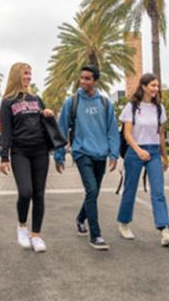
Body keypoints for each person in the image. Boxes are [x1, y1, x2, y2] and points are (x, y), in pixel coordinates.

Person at [54, 65, 119, 250]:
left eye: (87, 78)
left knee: (94, 192)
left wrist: (113, 153)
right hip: (82, 152)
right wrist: (59, 156)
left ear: (95, 81)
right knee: (91, 190)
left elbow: (112, 130)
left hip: (101, 154)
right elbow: (61, 129)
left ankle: (80, 218)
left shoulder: (106, 103)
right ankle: (96, 235)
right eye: (81, 78)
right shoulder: (72, 102)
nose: (83, 82)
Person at [117, 73, 169, 247]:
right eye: (152, 85)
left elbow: (160, 134)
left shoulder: (159, 108)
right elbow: (127, 134)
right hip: (135, 151)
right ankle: (123, 223)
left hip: (153, 152)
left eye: (157, 86)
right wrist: (138, 150)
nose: (156, 89)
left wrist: (164, 157)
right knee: (130, 189)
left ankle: (164, 231)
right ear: (144, 86)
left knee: (158, 192)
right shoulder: (131, 107)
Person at [0, 62, 54, 253]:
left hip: (40, 151)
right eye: (25, 74)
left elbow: (46, 124)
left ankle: (36, 235)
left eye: (30, 73)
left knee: (39, 194)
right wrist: (4, 157)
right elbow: (6, 132)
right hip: (20, 152)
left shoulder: (36, 99)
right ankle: (22, 225)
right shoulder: (7, 102)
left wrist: (48, 115)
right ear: (16, 76)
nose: (29, 77)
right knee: (25, 192)